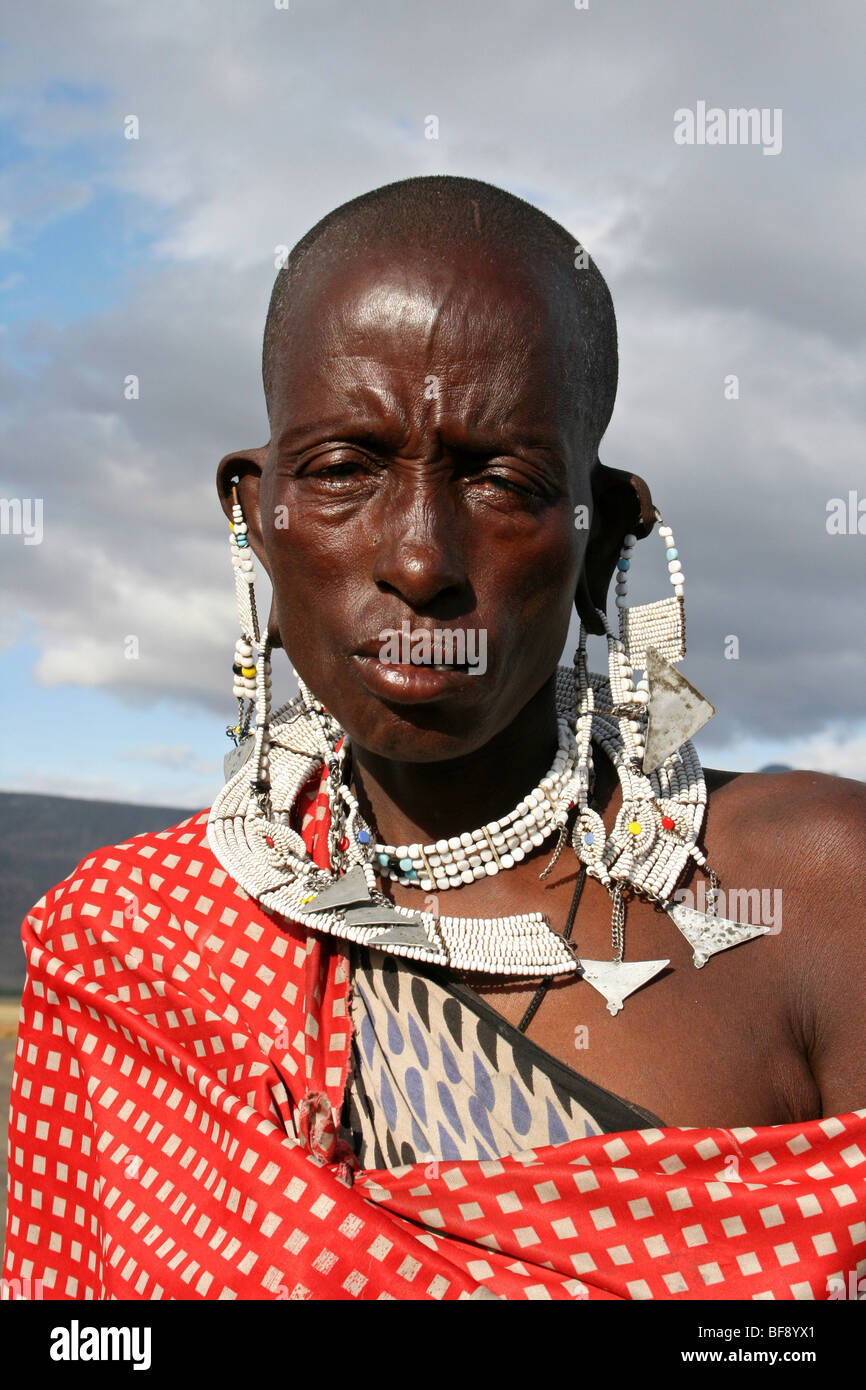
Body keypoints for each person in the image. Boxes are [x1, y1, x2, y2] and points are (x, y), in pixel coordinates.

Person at [3, 177, 864, 1302]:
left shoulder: (812, 898)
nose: (419, 561)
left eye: (502, 479)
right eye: (343, 469)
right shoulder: (127, 950)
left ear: (603, 540)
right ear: (254, 517)